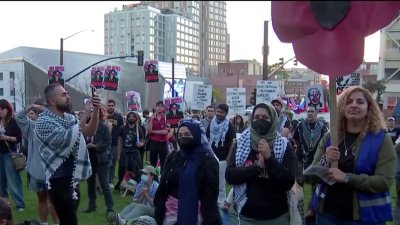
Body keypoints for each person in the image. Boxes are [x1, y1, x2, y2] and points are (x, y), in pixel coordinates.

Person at [310, 86, 396, 225]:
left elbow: (384, 182)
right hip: (327, 215)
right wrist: (325, 160)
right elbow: (311, 176)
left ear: (369, 108)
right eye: (349, 101)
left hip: (365, 218)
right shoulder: (330, 137)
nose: (354, 105)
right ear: (342, 108)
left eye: (360, 102)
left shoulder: (381, 140)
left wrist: (347, 178)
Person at [34, 83, 104, 225]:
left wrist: (95, 111)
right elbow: (65, 139)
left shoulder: (70, 119)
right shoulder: (43, 122)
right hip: (57, 179)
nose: (68, 97)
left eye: (67, 93)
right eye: (64, 94)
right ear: (52, 101)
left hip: (71, 178)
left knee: (69, 218)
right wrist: (85, 114)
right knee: (69, 220)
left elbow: (88, 132)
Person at [225, 103, 297, 224]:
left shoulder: (284, 146)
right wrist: (256, 167)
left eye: (265, 117)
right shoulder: (242, 142)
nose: (260, 120)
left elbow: (288, 181)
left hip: (276, 217)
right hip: (245, 217)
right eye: (257, 117)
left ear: (273, 119)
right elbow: (230, 176)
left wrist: (269, 158)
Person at [154, 118, 221, 225]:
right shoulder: (173, 157)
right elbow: (163, 186)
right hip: (169, 214)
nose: (183, 138)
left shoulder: (207, 160)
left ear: (196, 135)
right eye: (179, 135)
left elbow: (210, 196)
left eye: (187, 134)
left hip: (196, 214)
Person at [15, 102, 59, 225]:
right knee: (42, 200)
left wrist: (43, 109)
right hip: (37, 171)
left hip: (53, 171)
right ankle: (43, 223)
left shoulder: (55, 128)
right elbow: (19, 117)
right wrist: (29, 108)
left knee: (53, 201)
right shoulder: (32, 127)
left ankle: (56, 223)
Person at [293, 106, 327, 221]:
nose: (310, 114)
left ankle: (313, 212)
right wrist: (302, 148)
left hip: (316, 159)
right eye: (308, 112)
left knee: (315, 186)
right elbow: (296, 139)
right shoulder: (300, 125)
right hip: (301, 158)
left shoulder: (322, 127)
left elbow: (325, 141)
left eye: (312, 112)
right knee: (298, 186)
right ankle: (298, 211)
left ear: (316, 114)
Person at [83, 106, 114, 214]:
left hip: (102, 158)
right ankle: (92, 205)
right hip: (90, 157)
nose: (92, 113)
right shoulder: (85, 125)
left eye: (94, 112)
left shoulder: (104, 126)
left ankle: (110, 208)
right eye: (90, 112)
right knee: (90, 182)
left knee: (104, 183)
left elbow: (107, 142)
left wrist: (95, 146)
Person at [206, 104, 236, 208]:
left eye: (221, 112)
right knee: (210, 178)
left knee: (220, 182)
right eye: (218, 111)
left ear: (226, 114)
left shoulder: (230, 127)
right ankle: (211, 198)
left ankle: (221, 201)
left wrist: (229, 157)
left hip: (223, 158)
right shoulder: (212, 124)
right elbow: (207, 138)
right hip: (211, 156)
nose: (218, 114)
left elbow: (233, 143)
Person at [0, 99, 24, 211]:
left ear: (7, 109)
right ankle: (4, 204)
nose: (0, 111)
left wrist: (7, 138)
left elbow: (19, 138)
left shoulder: (12, 121)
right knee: (1, 181)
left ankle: (19, 204)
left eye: (2, 109)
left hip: (9, 154)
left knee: (13, 180)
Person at [116, 112, 144, 190]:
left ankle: (132, 187)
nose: (131, 118)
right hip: (125, 152)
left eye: (133, 117)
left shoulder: (139, 129)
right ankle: (122, 186)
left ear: (136, 119)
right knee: (122, 169)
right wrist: (118, 154)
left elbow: (142, 141)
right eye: (130, 117)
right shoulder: (123, 128)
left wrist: (140, 144)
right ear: (127, 118)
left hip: (134, 153)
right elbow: (120, 141)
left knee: (134, 170)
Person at [106, 99, 124, 189]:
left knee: (112, 163)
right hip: (104, 143)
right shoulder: (103, 116)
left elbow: (122, 130)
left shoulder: (119, 117)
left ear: (114, 106)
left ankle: (110, 181)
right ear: (106, 106)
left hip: (115, 143)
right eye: (109, 105)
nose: (110, 107)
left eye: (112, 105)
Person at [147, 101, 169, 171]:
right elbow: (149, 130)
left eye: (161, 106)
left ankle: (162, 179)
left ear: (163, 108)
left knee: (164, 163)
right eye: (158, 106)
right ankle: (153, 179)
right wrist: (151, 120)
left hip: (163, 143)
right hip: (153, 143)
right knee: (152, 163)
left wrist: (153, 131)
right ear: (156, 108)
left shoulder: (166, 118)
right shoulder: (152, 118)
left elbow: (165, 132)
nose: (159, 108)